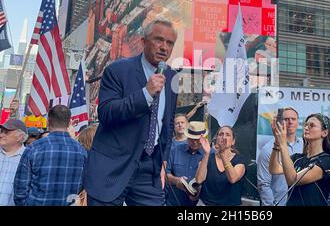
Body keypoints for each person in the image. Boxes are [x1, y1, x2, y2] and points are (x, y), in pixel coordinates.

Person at [84, 19, 179, 206]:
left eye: (170, 43)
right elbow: (106, 113)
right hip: (112, 169)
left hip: (148, 171)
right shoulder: (117, 70)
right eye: (158, 40)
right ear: (143, 42)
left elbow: (167, 123)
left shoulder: (172, 77)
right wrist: (145, 94)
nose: (164, 47)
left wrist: (163, 162)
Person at [14, 105, 87, 206]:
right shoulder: (81, 151)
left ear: (48, 122)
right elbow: (83, 185)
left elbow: (20, 188)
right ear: (70, 123)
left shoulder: (34, 148)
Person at [269, 113, 330, 206]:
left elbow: (293, 180)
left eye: (312, 125)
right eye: (306, 125)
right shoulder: (297, 158)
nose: (306, 128)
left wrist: (283, 143)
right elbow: (274, 169)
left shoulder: (327, 160)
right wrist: (277, 141)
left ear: (324, 133)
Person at [257, 107, 303, 206]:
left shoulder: (305, 146)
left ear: (298, 122)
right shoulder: (268, 149)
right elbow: (264, 184)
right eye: (286, 119)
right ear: (280, 123)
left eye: (293, 119)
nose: (290, 122)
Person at [195, 126, 246, 206]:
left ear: (233, 141)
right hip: (206, 203)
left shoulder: (239, 160)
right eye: (221, 134)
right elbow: (199, 180)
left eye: (228, 135)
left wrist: (222, 153)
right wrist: (206, 153)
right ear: (216, 139)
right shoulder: (209, 157)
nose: (224, 137)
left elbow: (232, 179)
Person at [166, 121, 205, 206]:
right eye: (191, 138)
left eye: (197, 139)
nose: (194, 142)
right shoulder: (175, 150)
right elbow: (165, 174)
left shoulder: (210, 154)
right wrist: (176, 180)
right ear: (187, 137)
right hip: (175, 201)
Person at [0, 119, 28, 206]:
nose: (1, 135)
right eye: (1, 131)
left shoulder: (28, 157)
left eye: (6, 132)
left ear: (19, 137)